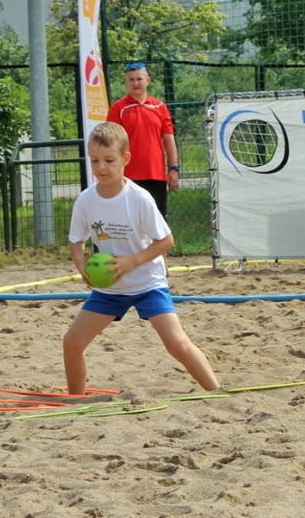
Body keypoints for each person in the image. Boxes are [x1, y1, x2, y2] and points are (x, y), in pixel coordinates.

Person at [64, 122, 219, 395]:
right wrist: (82, 267)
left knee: (176, 344)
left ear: (125, 159)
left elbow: (166, 240)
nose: (101, 167)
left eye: (109, 160)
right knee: (72, 343)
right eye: (95, 160)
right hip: (109, 288)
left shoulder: (139, 198)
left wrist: (130, 262)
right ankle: (75, 400)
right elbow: (76, 241)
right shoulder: (86, 200)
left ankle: (216, 391)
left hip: (148, 283)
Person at [107, 62, 180, 219]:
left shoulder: (160, 107)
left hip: (156, 176)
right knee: (129, 223)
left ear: (148, 80)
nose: (135, 83)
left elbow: (169, 140)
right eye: (131, 79)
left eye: (139, 79)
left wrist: (174, 168)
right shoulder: (117, 109)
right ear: (127, 82)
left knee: (156, 224)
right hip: (126, 177)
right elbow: (111, 144)